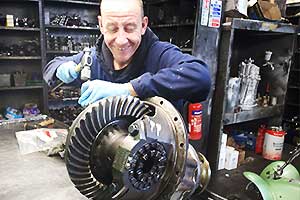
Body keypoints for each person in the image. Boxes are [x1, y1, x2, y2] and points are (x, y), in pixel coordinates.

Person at [43, 0, 211, 113]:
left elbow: (201, 77)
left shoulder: (160, 55)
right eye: (112, 28)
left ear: (143, 25)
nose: (121, 40)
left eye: (130, 28)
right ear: (101, 25)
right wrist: (59, 69)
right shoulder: (92, 60)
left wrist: (129, 90)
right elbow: (52, 66)